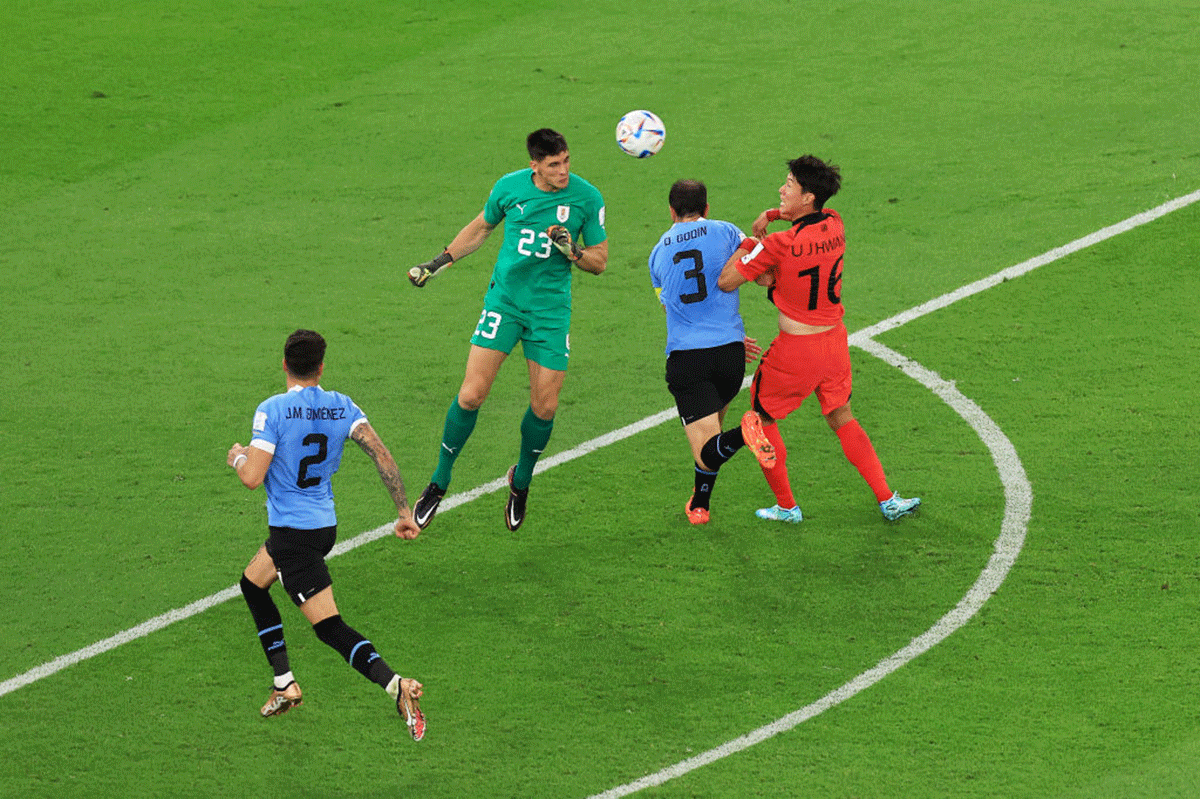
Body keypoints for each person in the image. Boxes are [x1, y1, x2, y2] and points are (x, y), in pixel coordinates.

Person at [227, 329, 426, 740]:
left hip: (293, 536)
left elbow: (252, 477)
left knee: (330, 627)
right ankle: (284, 683)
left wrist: (238, 457)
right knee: (252, 584)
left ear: (283, 364)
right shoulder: (343, 407)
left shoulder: (273, 410)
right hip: (323, 527)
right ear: (321, 367)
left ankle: (396, 685)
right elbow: (381, 455)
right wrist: (404, 512)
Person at [406, 128, 608, 532]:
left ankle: (521, 481)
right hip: (506, 303)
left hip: (550, 313)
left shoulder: (587, 197)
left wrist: (573, 251)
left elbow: (599, 261)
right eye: (554, 165)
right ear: (534, 165)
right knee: (471, 394)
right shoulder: (509, 187)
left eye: (566, 161)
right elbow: (481, 228)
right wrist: (438, 261)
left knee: (545, 407)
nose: (563, 171)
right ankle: (439, 481)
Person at [717, 156, 921, 522]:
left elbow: (726, 281)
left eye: (790, 184)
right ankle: (887, 498)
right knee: (841, 415)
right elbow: (801, 240)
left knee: (759, 416)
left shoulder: (778, 244)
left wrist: (750, 242)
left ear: (808, 196)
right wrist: (773, 214)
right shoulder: (836, 223)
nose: (782, 189)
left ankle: (786, 506)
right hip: (835, 344)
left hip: (796, 351)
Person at [647, 179, 776, 524]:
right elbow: (757, 272)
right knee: (710, 444)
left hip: (689, 359)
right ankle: (700, 505)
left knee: (708, 448)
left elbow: (667, 306)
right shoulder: (726, 231)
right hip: (731, 356)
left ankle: (745, 432)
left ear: (671, 212)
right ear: (706, 208)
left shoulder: (658, 253)